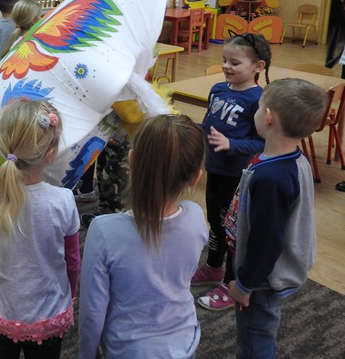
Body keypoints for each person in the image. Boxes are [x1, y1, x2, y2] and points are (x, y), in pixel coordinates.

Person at [78, 114, 208, 358]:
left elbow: (92, 311)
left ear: (131, 160)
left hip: (128, 349)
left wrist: (87, 353)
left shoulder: (104, 231)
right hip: (186, 341)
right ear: (195, 178)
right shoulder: (196, 217)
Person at [0, 100, 79, 358]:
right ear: (50, 154)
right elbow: (72, 261)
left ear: (2, 144)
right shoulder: (63, 201)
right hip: (47, 312)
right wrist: (70, 295)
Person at [225, 78, 327, 358]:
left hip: (261, 281)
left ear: (268, 117)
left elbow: (267, 240)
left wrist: (244, 285)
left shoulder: (272, 178)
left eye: (259, 107)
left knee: (254, 342)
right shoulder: (294, 159)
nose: (256, 112)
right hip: (263, 272)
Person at [193, 33, 271, 311]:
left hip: (237, 177)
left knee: (233, 231)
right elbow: (209, 124)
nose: (226, 66)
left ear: (258, 66)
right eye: (224, 60)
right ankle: (214, 267)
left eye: (235, 63)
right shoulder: (218, 89)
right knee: (215, 222)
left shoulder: (258, 100)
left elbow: (263, 143)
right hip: (214, 170)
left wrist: (232, 144)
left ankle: (231, 282)